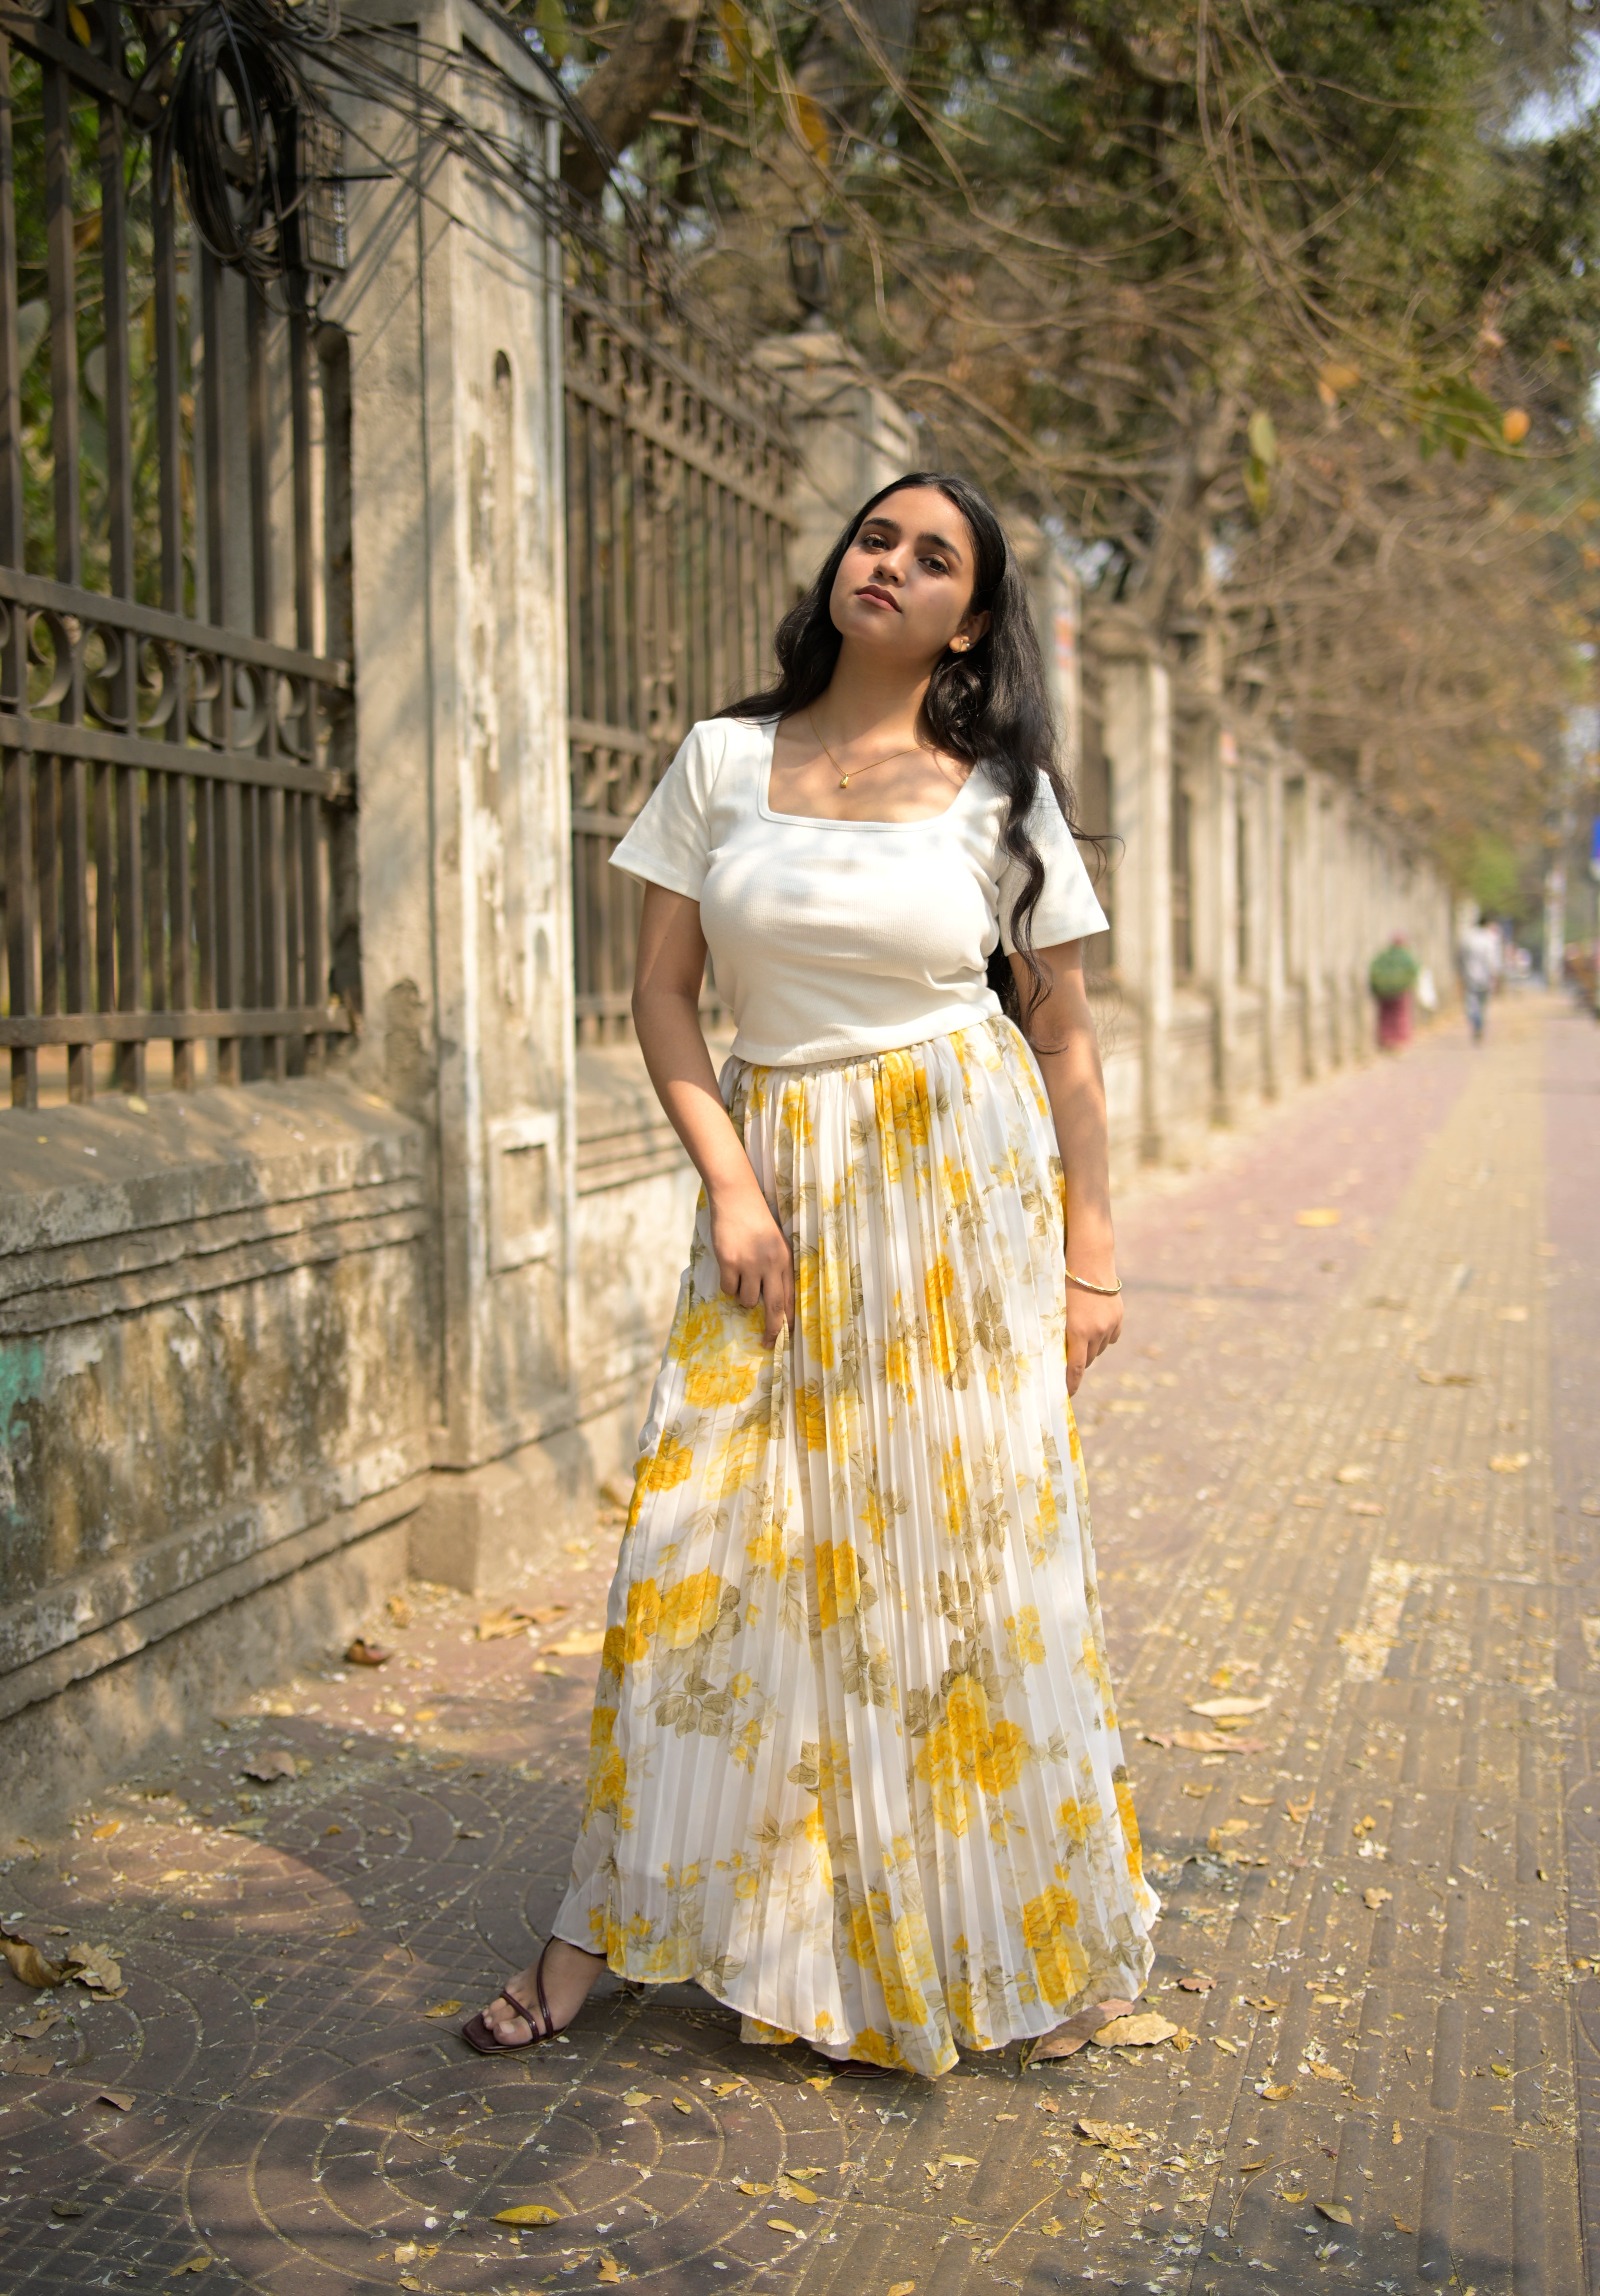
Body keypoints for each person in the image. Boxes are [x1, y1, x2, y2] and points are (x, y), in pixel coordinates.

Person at [461, 473, 1157, 2080]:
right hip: (773, 1189)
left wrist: (1095, 1266)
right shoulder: (721, 759)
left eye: (933, 558)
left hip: (961, 1203)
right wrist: (732, 1189)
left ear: (968, 618)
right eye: (876, 537)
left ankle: (1028, 1938)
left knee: (967, 1561)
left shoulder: (1002, 794)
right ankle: (600, 1929)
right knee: (705, 1550)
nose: (891, 565)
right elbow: (663, 994)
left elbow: (1060, 1035)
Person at [1369, 933, 1420, 1050]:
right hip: (1401, 992)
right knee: (1401, 1016)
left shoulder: (1383, 956)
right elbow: (1414, 972)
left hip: (1383, 993)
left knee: (1386, 1017)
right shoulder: (1406, 956)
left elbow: (1373, 969)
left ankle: (1386, 1040)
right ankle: (1400, 1041)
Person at [1459, 913, 1500, 1042]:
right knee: (1483, 1005)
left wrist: (1463, 973)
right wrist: (1495, 975)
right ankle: (1480, 1025)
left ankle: (1476, 1024)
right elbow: (1493, 961)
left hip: (1471, 976)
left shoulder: (1469, 938)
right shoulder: (1490, 939)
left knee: (1472, 1004)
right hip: (1486, 978)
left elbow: (1462, 958)